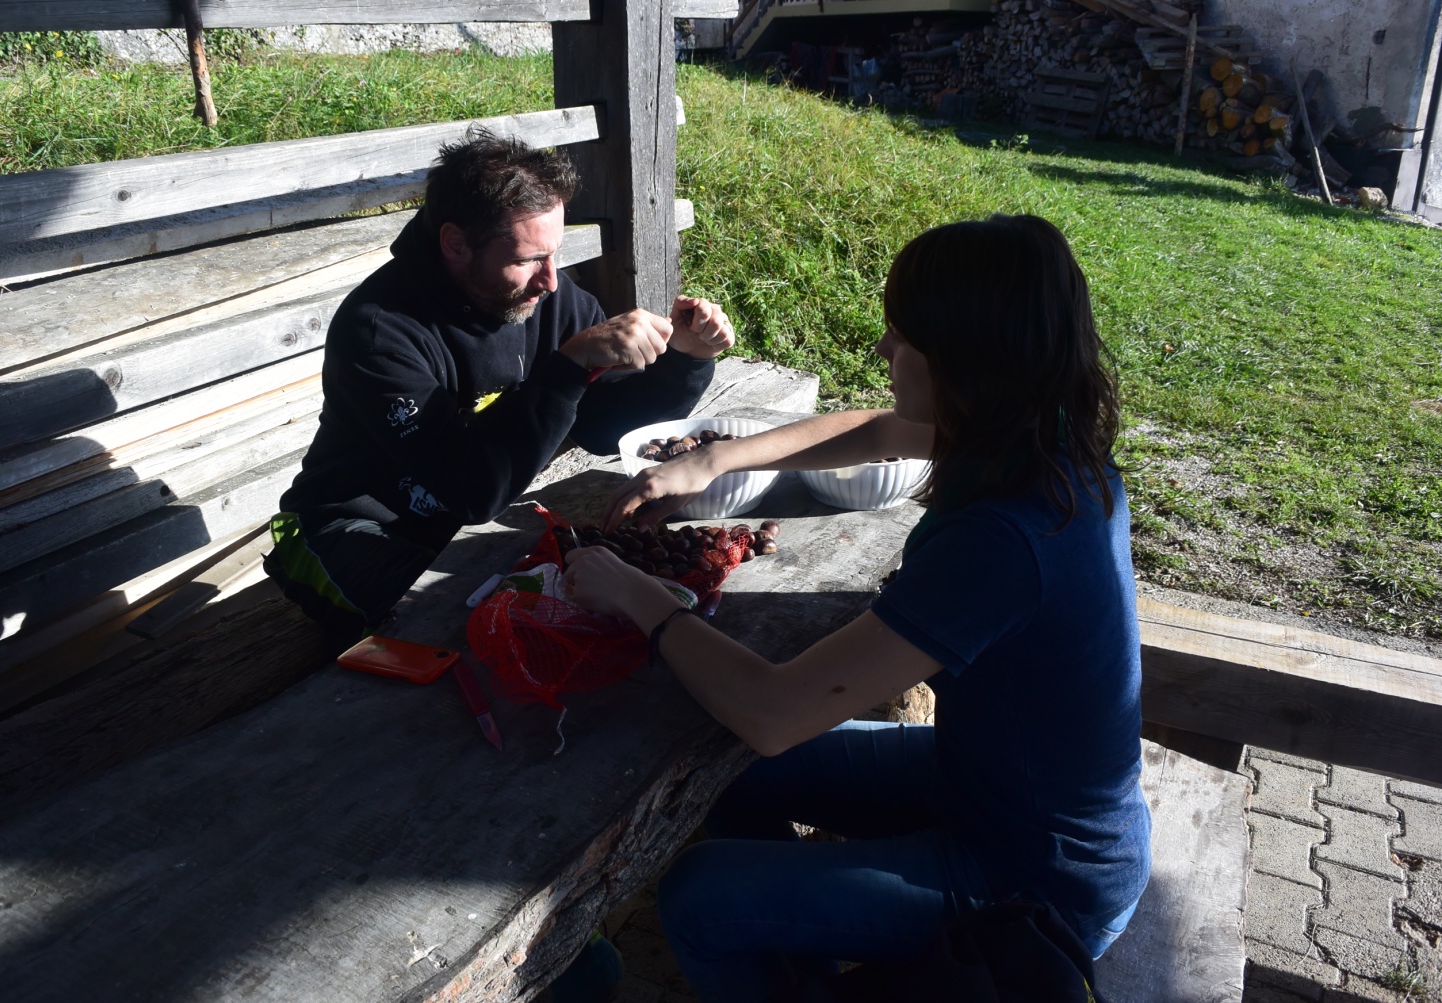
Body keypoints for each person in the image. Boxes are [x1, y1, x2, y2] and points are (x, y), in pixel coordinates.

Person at [562, 214, 1151, 1001]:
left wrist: (641, 596)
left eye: (900, 335)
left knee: (699, 892)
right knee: (729, 773)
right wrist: (707, 461)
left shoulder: (1006, 538)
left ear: (964, 361)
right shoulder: (1045, 436)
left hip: (1037, 875)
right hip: (987, 782)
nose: (881, 349)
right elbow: (879, 429)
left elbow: (773, 709)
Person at [265, 127, 735, 646]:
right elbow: (473, 493)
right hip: (355, 530)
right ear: (455, 244)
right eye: (528, 259)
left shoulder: (547, 299)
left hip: (470, 521)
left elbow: (602, 430)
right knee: (488, 632)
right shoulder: (380, 332)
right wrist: (570, 366)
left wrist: (685, 362)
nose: (551, 280)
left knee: (595, 613)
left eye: (556, 253)